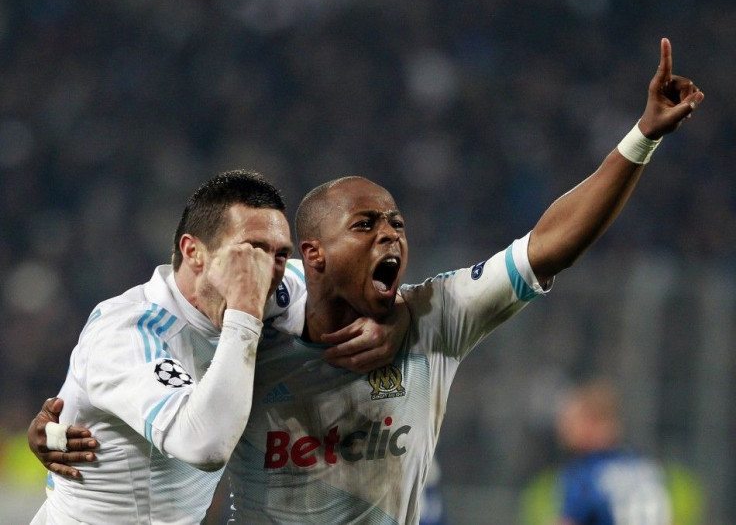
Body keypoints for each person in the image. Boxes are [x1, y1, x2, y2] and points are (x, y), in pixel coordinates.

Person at [31, 39, 703, 524]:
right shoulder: (225, 331)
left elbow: (546, 247)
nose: (391, 235)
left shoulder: (422, 315)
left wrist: (641, 136)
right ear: (317, 255)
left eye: (398, 223)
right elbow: (144, 417)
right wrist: (52, 438)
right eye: (366, 225)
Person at [28, 169, 404, 525]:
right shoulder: (128, 333)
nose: (268, 270)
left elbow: (343, 286)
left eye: (278, 253)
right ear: (193, 252)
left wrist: (392, 319)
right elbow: (204, 445)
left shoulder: (271, 288)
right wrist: (244, 313)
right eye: (252, 250)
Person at [519, 378, 705, 525]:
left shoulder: (584, 473)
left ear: (593, 423)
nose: (563, 427)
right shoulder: (645, 466)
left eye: (571, 419)